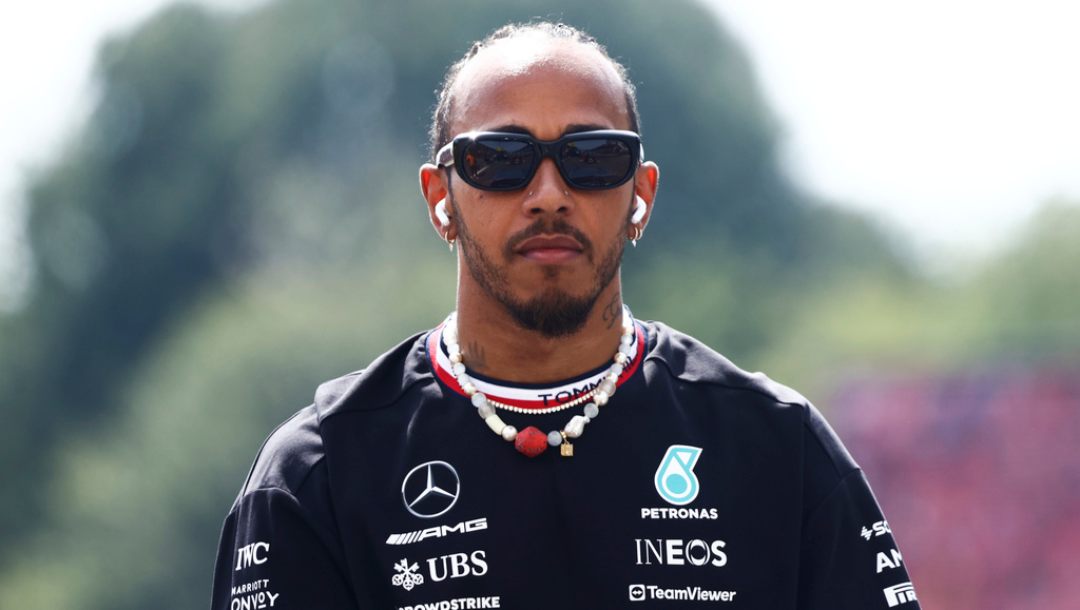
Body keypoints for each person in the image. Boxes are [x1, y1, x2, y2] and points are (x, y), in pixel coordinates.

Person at [211, 21, 920, 610]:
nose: (549, 193)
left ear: (640, 193)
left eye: (592, 158)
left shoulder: (777, 448)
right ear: (439, 198)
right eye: (499, 160)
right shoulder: (319, 475)